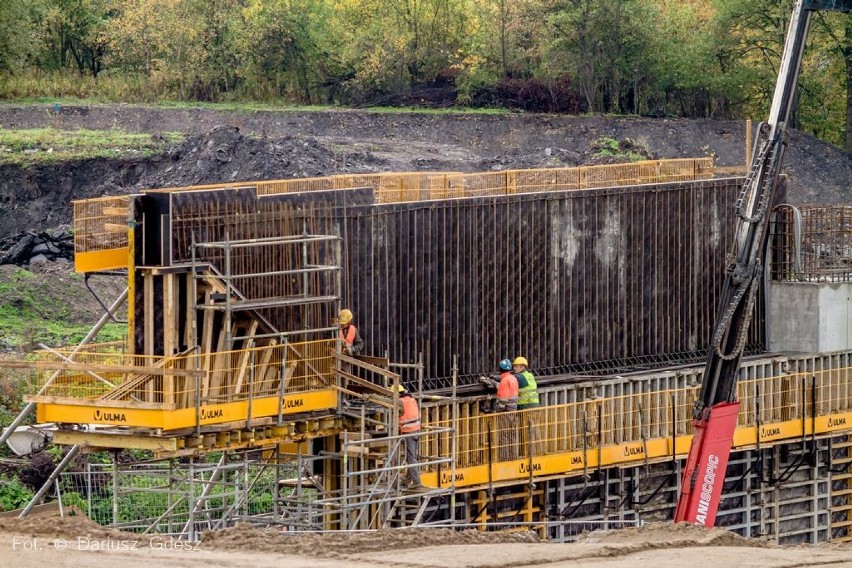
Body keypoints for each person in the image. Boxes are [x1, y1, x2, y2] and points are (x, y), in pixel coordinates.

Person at [395, 384, 422, 489]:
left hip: (408, 431)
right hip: (417, 430)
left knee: (411, 458)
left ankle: (417, 482)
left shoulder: (400, 402)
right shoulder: (412, 399)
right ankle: (407, 481)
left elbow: (399, 416)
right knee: (412, 457)